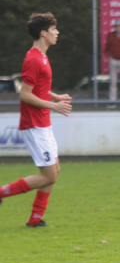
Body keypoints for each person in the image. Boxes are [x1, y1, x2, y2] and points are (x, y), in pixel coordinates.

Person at [0, 13, 72, 227]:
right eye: (53, 29)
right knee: (49, 176)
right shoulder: (33, 59)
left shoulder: (41, 56)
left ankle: (35, 219)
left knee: (54, 172)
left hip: (42, 123)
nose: (57, 32)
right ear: (43, 33)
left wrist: (54, 96)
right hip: (34, 124)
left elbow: (39, 88)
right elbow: (25, 95)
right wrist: (54, 106)